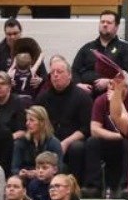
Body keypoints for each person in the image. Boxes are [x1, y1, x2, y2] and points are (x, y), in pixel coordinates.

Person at [35, 57, 92, 189]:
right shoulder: (42, 98)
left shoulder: (82, 97)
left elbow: (86, 128)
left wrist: (66, 142)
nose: (55, 75)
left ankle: (74, 186)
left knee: (77, 148)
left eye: (59, 72)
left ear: (69, 75)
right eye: (52, 72)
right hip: (49, 139)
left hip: (73, 141)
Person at [86, 73, 128, 198]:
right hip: (110, 142)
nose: (111, 88)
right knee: (92, 142)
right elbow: (94, 129)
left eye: (116, 86)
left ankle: (126, 186)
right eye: (111, 84)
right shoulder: (101, 100)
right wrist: (120, 136)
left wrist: (118, 103)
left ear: (126, 88)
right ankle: (93, 187)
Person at [72, 10, 128, 95]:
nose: (105, 25)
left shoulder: (124, 47)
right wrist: (78, 84)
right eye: (102, 22)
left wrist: (110, 82)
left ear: (116, 27)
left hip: (115, 93)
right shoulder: (87, 47)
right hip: (87, 93)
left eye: (109, 22)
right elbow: (74, 70)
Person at [11, 105, 61, 180]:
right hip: (25, 180)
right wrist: (20, 173)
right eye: (27, 120)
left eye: (31, 120)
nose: (27, 123)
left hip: (47, 180)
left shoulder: (53, 143)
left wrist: (38, 172)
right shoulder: (21, 142)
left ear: (42, 122)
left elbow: (59, 168)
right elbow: (14, 168)